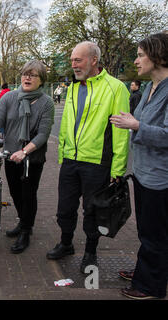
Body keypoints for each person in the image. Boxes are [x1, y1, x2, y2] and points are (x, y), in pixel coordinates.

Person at [46, 41, 130, 273]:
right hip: (71, 161)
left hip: (97, 163)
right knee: (65, 208)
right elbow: (66, 124)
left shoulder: (116, 88)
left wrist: (117, 169)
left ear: (94, 60)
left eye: (78, 60)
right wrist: (62, 153)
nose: (73, 65)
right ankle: (66, 243)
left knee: (92, 211)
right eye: (72, 60)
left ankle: (91, 252)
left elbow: (121, 133)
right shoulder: (72, 87)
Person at [0, 60, 54, 254]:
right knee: (15, 193)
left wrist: (24, 151)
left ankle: (26, 229)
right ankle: (23, 222)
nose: (27, 78)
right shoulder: (10, 98)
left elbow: (43, 134)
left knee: (28, 194)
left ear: (41, 80)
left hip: (32, 159)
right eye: (25, 74)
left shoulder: (46, 103)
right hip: (10, 155)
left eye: (33, 75)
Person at [110, 33, 167, 300]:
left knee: (155, 233)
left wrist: (136, 126)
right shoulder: (149, 88)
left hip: (160, 177)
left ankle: (150, 286)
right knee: (146, 230)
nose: (136, 60)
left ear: (158, 56)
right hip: (144, 174)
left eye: (141, 55)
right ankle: (146, 271)